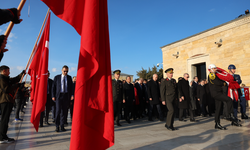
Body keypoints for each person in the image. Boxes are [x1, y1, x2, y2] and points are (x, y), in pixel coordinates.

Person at [208, 64, 240, 130]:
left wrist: (225, 81)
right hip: (216, 93)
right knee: (229, 99)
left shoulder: (215, 75)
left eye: (215, 68)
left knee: (218, 108)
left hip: (218, 93)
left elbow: (220, 80)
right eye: (214, 68)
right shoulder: (211, 75)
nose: (215, 69)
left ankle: (217, 123)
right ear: (210, 69)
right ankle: (231, 115)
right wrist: (224, 83)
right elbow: (216, 82)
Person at [0, 65, 25, 144]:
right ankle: (2, 137)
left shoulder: (5, 79)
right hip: (5, 101)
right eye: (8, 71)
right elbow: (6, 89)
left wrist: (22, 74)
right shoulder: (1, 79)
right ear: (4, 71)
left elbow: (14, 80)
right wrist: (17, 85)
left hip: (8, 101)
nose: (9, 72)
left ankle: (3, 136)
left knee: (6, 119)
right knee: (4, 119)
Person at [52, 65, 74, 132]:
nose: (65, 72)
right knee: (58, 111)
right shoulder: (57, 77)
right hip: (59, 96)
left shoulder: (69, 78)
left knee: (64, 112)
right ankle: (57, 126)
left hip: (66, 96)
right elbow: (53, 87)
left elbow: (71, 88)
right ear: (61, 70)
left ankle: (62, 126)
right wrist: (53, 96)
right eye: (64, 71)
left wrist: (72, 95)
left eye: (67, 71)